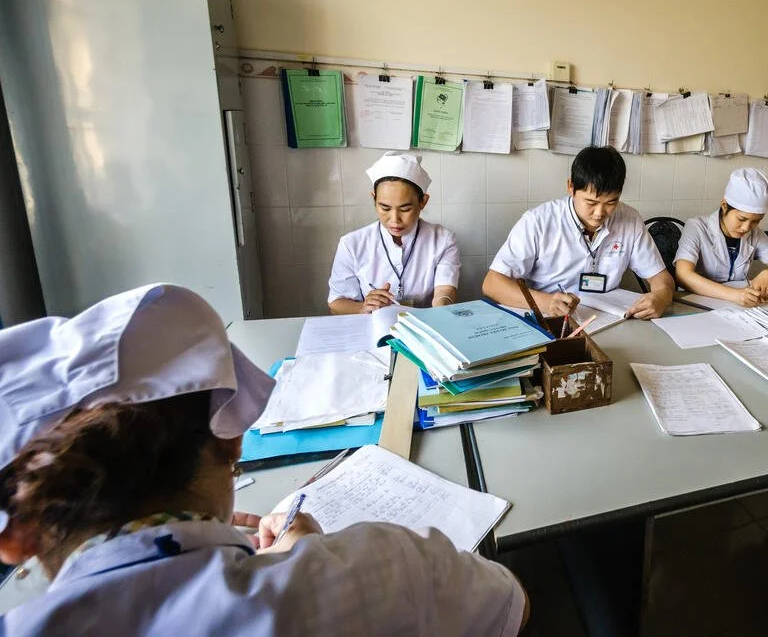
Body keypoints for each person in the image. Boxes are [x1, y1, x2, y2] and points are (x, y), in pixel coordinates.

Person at [0, 284, 528, 636]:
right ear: (232, 442)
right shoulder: (387, 569)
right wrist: (313, 555)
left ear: (12, 539)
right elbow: (512, 604)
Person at [483, 146, 674, 319]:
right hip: (549, 319)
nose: (600, 213)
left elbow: (660, 277)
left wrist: (661, 297)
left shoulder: (630, 219)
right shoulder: (539, 221)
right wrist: (546, 302)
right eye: (590, 202)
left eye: (611, 203)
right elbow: (492, 284)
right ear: (570, 187)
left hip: (607, 319)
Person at [328, 151, 460, 313]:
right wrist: (363, 307)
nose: (394, 219)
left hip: (424, 326)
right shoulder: (352, 244)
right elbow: (336, 303)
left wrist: (442, 307)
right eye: (385, 208)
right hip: (372, 327)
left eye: (405, 209)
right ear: (374, 198)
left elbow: (445, 290)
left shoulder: (442, 240)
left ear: (423, 202)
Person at [674, 168, 768, 306]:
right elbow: (683, 275)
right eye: (741, 219)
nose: (746, 228)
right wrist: (735, 295)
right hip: (697, 304)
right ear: (724, 205)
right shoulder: (696, 227)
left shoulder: (755, 233)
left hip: (735, 306)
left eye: (756, 221)